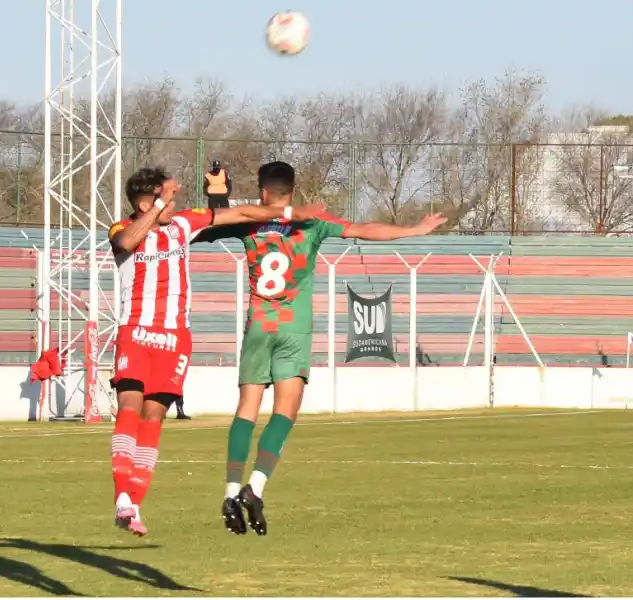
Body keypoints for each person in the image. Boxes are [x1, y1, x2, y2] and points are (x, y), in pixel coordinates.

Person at [195, 161, 447, 536]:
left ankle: (231, 492)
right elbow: (364, 230)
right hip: (293, 330)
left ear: (263, 192)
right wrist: (414, 229)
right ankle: (256, 487)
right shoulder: (312, 222)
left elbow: (212, 219)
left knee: (246, 409)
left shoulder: (248, 221)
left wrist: (218, 192)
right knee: (286, 410)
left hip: (259, 327)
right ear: (292, 190)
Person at [107, 166, 324, 537]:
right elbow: (127, 242)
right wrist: (158, 206)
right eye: (165, 198)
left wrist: (290, 213)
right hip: (137, 330)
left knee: (155, 417)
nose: (174, 205)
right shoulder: (121, 229)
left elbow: (239, 214)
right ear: (146, 201)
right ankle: (121, 497)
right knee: (130, 405)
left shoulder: (184, 224)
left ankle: (135, 504)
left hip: (174, 336)